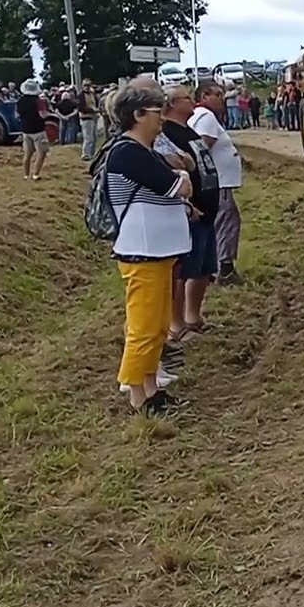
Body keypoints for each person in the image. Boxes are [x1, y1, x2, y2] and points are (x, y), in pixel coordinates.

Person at [105, 84, 193, 415]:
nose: (162, 119)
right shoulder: (128, 152)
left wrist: (180, 176)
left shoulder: (143, 151)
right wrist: (180, 175)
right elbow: (179, 185)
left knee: (156, 325)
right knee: (143, 327)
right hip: (142, 251)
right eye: (157, 112)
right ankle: (138, 396)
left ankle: (151, 387)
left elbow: (181, 181)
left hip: (157, 250)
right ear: (138, 115)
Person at [162, 85, 220, 343]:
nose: (192, 101)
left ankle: (193, 316)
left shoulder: (188, 130)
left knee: (203, 268)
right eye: (187, 98)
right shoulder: (166, 132)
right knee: (183, 272)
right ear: (173, 104)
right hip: (190, 212)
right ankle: (176, 324)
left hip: (207, 210)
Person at [189, 80, 245, 285]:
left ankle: (214, 267)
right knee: (226, 221)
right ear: (204, 96)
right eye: (218, 95)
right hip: (217, 182)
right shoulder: (206, 117)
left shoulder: (201, 116)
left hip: (216, 182)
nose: (223, 99)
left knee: (222, 221)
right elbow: (201, 149)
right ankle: (224, 268)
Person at [17, 79, 49, 181]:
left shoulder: (20, 101)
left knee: (27, 154)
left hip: (26, 130)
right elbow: (43, 115)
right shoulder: (38, 101)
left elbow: (17, 115)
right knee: (41, 153)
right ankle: (35, 174)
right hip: (38, 130)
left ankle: (26, 175)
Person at [79, 79, 99, 159]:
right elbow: (80, 107)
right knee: (88, 137)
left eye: (88, 85)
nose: (87, 87)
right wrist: (92, 110)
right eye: (85, 85)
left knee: (94, 138)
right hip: (86, 117)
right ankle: (86, 154)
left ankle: (92, 154)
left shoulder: (92, 94)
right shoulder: (81, 95)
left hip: (93, 117)